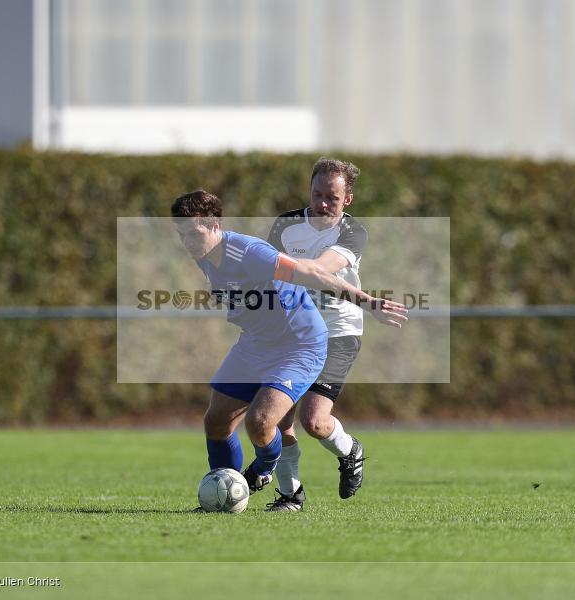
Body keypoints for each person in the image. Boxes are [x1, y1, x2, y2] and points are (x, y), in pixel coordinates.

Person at [170, 190, 407, 507]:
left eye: (193, 233)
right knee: (216, 420)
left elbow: (314, 273)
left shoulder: (251, 252)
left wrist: (369, 302)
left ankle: (264, 469)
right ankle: (224, 496)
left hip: (299, 344)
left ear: (214, 225)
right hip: (255, 343)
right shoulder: (204, 255)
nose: (187, 241)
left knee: (261, 422)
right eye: (181, 234)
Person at [264, 157, 373, 512]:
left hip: (338, 331)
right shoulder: (286, 225)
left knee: (314, 421)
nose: (323, 204)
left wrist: (284, 270)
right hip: (293, 331)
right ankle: (290, 493)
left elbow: (322, 270)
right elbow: (268, 274)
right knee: (278, 416)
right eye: (317, 195)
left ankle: (350, 451)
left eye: (333, 198)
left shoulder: (352, 232)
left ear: (348, 200)